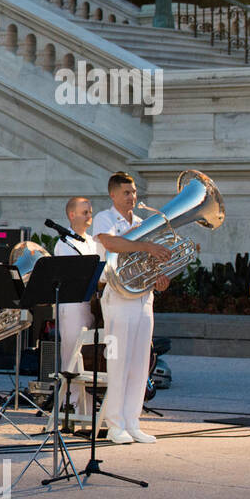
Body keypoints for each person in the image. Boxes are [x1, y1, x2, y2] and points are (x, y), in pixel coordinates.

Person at [92, 172, 171, 444]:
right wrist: (146, 245)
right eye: (127, 193)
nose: (132, 197)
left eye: (134, 192)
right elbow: (110, 243)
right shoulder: (104, 218)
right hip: (116, 298)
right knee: (118, 362)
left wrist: (160, 277)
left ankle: (132, 421)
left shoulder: (141, 223)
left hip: (142, 299)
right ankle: (115, 425)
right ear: (113, 194)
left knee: (140, 363)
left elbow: (151, 264)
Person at [54, 197, 100, 416]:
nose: (88, 215)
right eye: (84, 212)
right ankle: (70, 405)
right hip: (72, 307)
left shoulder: (91, 242)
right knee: (72, 354)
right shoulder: (63, 244)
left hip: (90, 305)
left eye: (90, 212)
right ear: (72, 215)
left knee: (89, 356)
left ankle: (88, 406)